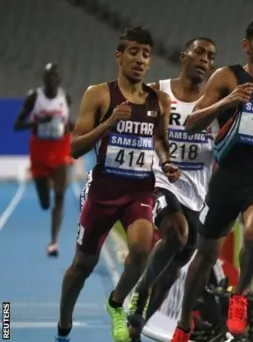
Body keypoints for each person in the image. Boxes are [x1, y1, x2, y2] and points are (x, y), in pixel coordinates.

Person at [170, 16, 253, 342]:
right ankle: (184, 322)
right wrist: (228, 100)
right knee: (204, 256)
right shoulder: (228, 77)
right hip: (227, 179)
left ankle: (240, 295)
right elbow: (191, 123)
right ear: (247, 45)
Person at [55, 26, 180, 342]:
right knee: (82, 266)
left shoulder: (159, 100)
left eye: (146, 54)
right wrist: (109, 123)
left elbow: (161, 140)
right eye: (134, 52)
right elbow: (74, 148)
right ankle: (63, 325)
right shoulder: (98, 94)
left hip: (140, 188)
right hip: (103, 191)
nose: (140, 59)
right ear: (119, 56)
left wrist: (166, 161)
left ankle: (116, 303)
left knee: (141, 247)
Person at [127, 37, 217, 330]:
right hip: (160, 180)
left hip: (196, 192)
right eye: (199, 52)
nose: (204, 59)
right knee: (176, 233)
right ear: (183, 56)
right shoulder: (158, 92)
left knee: (174, 269)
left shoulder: (216, 104)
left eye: (210, 56)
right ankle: (141, 289)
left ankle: (138, 326)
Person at [13, 63, 74, 257]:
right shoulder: (34, 97)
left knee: (60, 197)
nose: (51, 80)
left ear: (59, 79)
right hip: (39, 152)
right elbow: (17, 124)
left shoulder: (66, 98)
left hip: (60, 151)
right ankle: (45, 183)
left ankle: (53, 242)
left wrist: (69, 126)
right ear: (44, 79)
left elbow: (66, 124)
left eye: (54, 77)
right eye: (48, 77)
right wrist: (37, 122)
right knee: (45, 203)